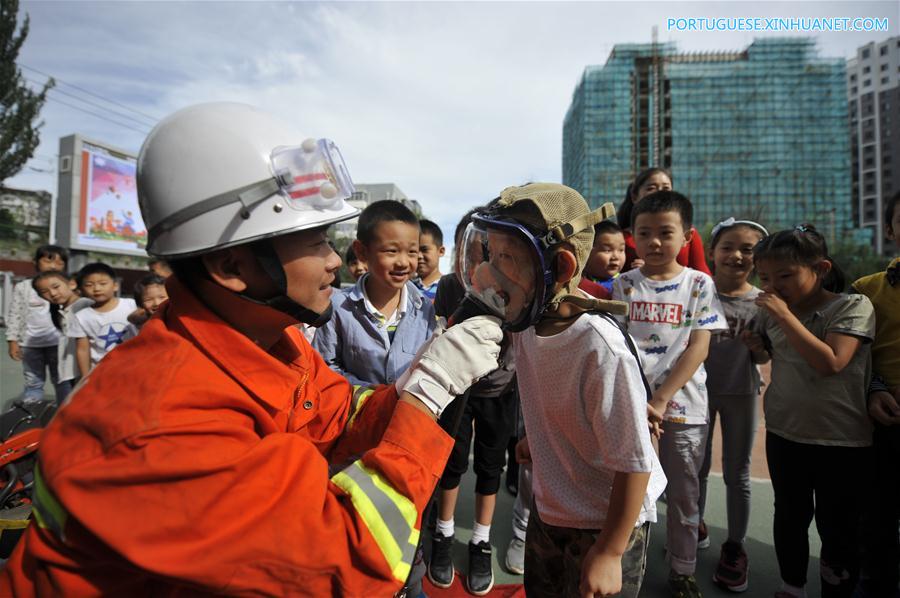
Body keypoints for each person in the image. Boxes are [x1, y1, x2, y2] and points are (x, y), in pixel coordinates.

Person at [0, 102, 503, 596]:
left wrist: (418, 379)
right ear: (233, 267)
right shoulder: (160, 426)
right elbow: (348, 561)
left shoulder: (270, 340)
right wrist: (429, 393)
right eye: (314, 240)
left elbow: (337, 416)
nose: (335, 261)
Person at [460, 182, 666, 598]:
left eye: (508, 259)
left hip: (606, 519)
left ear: (562, 268)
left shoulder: (599, 348)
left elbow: (634, 463)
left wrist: (609, 552)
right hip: (552, 502)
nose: (490, 272)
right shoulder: (528, 322)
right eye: (491, 255)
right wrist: (538, 439)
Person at [746, 225, 875, 598]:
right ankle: (792, 586)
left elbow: (832, 362)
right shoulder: (773, 314)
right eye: (765, 277)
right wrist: (755, 347)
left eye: (785, 276)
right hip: (785, 432)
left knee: (838, 526)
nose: (773, 285)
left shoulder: (852, 306)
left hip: (842, 439)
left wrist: (784, 316)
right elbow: (771, 356)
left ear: (820, 268)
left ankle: (837, 590)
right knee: (789, 516)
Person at [613, 190, 727, 598]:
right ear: (634, 237)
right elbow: (616, 345)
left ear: (687, 237)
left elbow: (699, 347)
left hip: (683, 410)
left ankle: (682, 569)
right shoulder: (623, 285)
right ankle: (626, 565)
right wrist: (639, 400)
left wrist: (660, 399)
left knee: (684, 495)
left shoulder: (700, 284)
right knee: (630, 492)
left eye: (666, 232)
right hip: (633, 409)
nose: (655, 242)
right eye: (645, 233)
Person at [427, 209, 518, 595]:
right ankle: (443, 535)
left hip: (500, 391)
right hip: (458, 391)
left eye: (491, 249)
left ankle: (481, 540)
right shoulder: (450, 285)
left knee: (490, 466)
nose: (480, 257)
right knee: (450, 462)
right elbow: (445, 333)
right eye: (474, 247)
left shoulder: (517, 285)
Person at [696, 217, 769, 593]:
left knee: (737, 473)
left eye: (748, 249)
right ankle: (693, 527)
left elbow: (763, 358)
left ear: (759, 259)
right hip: (698, 394)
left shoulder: (764, 303)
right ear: (712, 252)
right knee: (697, 465)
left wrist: (758, 351)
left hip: (741, 393)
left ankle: (735, 547)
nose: (736, 255)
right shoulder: (697, 293)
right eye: (728, 247)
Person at [314, 200, 436, 387]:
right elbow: (323, 367)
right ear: (362, 252)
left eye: (412, 252)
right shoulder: (338, 308)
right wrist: (369, 395)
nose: (403, 262)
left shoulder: (424, 309)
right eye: (392, 251)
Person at [853, 191, 900, 598]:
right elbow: (855, 359)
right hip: (886, 419)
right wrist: (873, 389)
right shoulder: (866, 290)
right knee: (879, 515)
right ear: (890, 228)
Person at [616, 168, 710, 274]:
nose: (660, 192)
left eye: (666, 188)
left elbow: (701, 270)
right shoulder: (620, 238)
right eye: (651, 188)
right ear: (634, 196)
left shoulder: (686, 232)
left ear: (686, 237)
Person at [5, 245, 69, 403]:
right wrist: (12, 341)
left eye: (60, 263)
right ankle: (32, 413)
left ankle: (63, 414)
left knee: (61, 381)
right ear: (35, 262)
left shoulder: (67, 287)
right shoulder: (23, 287)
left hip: (59, 345)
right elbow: (15, 315)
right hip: (30, 345)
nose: (54, 265)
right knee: (33, 382)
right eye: (49, 260)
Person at [31, 271, 93, 403]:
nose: (52, 294)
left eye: (56, 287)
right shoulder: (62, 310)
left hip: (82, 373)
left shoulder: (85, 305)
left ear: (71, 284)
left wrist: (86, 376)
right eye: (44, 291)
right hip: (69, 372)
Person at [68, 262, 138, 376]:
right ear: (81, 289)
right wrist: (85, 378)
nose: (96, 288)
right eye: (89, 285)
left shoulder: (132, 305)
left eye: (103, 283)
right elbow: (82, 350)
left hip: (135, 367)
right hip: (102, 372)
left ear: (115, 285)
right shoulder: (81, 317)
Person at [580, 219, 626, 299]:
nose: (615, 257)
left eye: (621, 250)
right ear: (587, 251)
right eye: (607, 250)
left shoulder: (627, 282)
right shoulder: (577, 283)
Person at [415, 218, 445, 302]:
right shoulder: (405, 286)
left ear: (441, 251)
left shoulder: (447, 288)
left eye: (424, 250)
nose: (419, 256)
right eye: (414, 250)